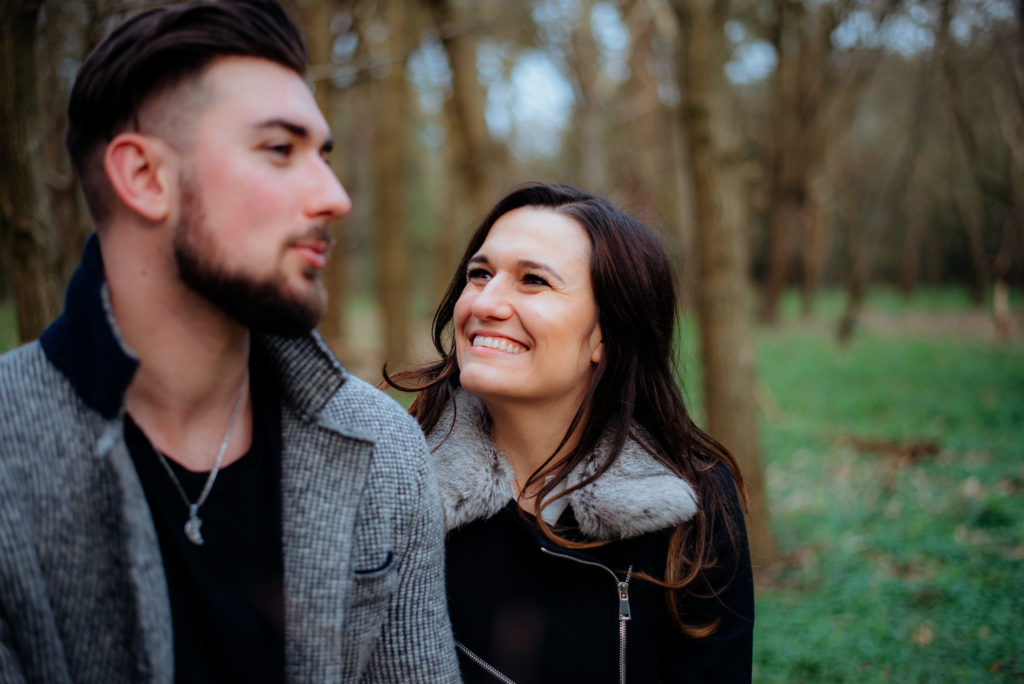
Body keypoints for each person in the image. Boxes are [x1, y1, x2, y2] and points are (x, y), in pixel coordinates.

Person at [0, 1, 460, 681]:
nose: (334, 196)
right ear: (144, 177)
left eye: (323, 155)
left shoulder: (383, 449)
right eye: (280, 150)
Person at [386, 182, 755, 683]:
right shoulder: (395, 486)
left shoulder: (697, 506)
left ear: (607, 333)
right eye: (479, 274)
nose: (485, 303)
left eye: (533, 280)